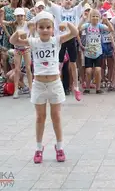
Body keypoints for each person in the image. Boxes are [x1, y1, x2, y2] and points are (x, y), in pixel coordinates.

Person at [9, 11, 78, 163]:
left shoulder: (57, 40)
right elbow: (13, 40)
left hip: (54, 84)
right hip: (39, 84)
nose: (45, 30)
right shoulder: (33, 41)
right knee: (40, 117)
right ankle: (39, 148)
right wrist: (20, 32)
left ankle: (60, 147)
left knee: (56, 116)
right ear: (37, 28)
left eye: (48, 27)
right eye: (42, 27)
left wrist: (66, 24)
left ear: (53, 28)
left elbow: (74, 32)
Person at [42, 0, 89, 101]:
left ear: (73, 1)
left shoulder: (76, 10)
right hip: (60, 39)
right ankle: (55, 86)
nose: (68, 1)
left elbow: (84, 1)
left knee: (73, 64)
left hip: (71, 38)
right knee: (59, 64)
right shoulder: (58, 9)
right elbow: (47, 1)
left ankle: (76, 87)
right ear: (61, 2)